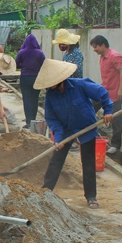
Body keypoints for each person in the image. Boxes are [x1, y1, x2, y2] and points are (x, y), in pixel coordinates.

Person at [35, 59, 113, 210]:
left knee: (88, 162)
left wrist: (108, 111)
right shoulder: (51, 95)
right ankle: (46, 191)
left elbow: (102, 93)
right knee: (56, 160)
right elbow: (52, 118)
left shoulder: (80, 85)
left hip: (86, 127)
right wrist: (58, 138)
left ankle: (91, 196)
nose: (47, 86)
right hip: (66, 130)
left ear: (59, 79)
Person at [90, 35, 122, 154]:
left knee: (116, 120)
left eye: (96, 47)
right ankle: (88, 134)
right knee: (89, 109)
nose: (94, 49)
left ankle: (115, 145)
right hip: (104, 92)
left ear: (103, 45)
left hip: (114, 94)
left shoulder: (115, 56)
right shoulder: (102, 57)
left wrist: (121, 89)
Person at [15, 34, 46, 129]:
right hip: (36, 79)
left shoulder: (21, 52)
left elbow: (16, 65)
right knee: (35, 99)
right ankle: (34, 120)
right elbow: (44, 65)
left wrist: (24, 66)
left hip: (25, 78)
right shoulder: (40, 53)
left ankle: (28, 121)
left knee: (27, 99)